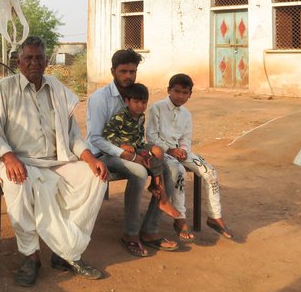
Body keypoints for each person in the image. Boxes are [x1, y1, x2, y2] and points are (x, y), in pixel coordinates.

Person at [0, 36, 108, 287]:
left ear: (46, 62)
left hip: (55, 161)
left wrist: (88, 158)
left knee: (94, 178)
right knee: (15, 185)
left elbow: (73, 135)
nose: (34, 63)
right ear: (19, 62)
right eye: (28, 58)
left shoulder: (57, 89)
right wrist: (9, 157)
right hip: (17, 159)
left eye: (39, 58)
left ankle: (66, 251)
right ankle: (31, 256)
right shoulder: (4, 87)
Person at [86, 49, 178, 258]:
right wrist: (126, 154)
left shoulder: (136, 94)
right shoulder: (101, 98)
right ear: (113, 71)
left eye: (132, 71)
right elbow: (96, 138)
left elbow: (137, 132)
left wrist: (142, 152)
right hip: (102, 154)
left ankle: (150, 230)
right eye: (123, 71)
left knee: (171, 168)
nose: (128, 76)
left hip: (129, 150)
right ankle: (130, 234)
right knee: (138, 172)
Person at [146, 73, 234, 241]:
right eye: (177, 91)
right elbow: (151, 137)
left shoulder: (186, 114)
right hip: (161, 151)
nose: (181, 96)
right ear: (169, 90)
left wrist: (184, 150)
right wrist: (170, 150)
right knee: (178, 171)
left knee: (210, 172)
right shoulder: (157, 108)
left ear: (190, 94)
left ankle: (214, 216)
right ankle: (180, 219)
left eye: (185, 93)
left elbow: (186, 137)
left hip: (181, 152)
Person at [102, 83, 181, 220]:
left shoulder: (141, 116)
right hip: (123, 152)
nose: (140, 105)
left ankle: (153, 185)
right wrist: (122, 145)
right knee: (152, 161)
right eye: (136, 102)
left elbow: (139, 135)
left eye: (144, 102)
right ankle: (163, 200)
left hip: (137, 147)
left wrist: (143, 149)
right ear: (127, 101)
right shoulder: (121, 117)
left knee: (158, 151)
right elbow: (107, 134)